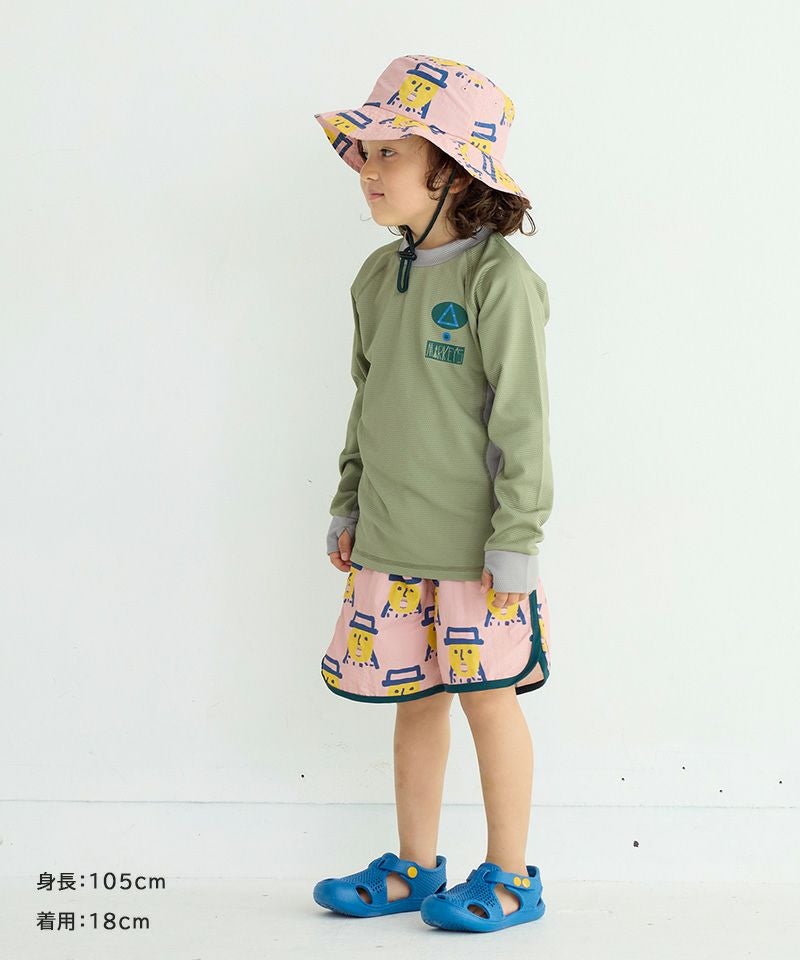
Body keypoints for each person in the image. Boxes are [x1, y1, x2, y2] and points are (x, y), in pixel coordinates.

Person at [310, 54, 554, 934]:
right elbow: (368, 399)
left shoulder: (500, 281)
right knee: (413, 702)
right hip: (391, 539)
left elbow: (522, 424)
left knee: (489, 701)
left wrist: (517, 538)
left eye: (389, 153)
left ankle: (512, 877)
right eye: (365, 153)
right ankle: (415, 866)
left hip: (475, 553)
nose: (367, 171)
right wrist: (349, 502)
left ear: (451, 168)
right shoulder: (378, 277)